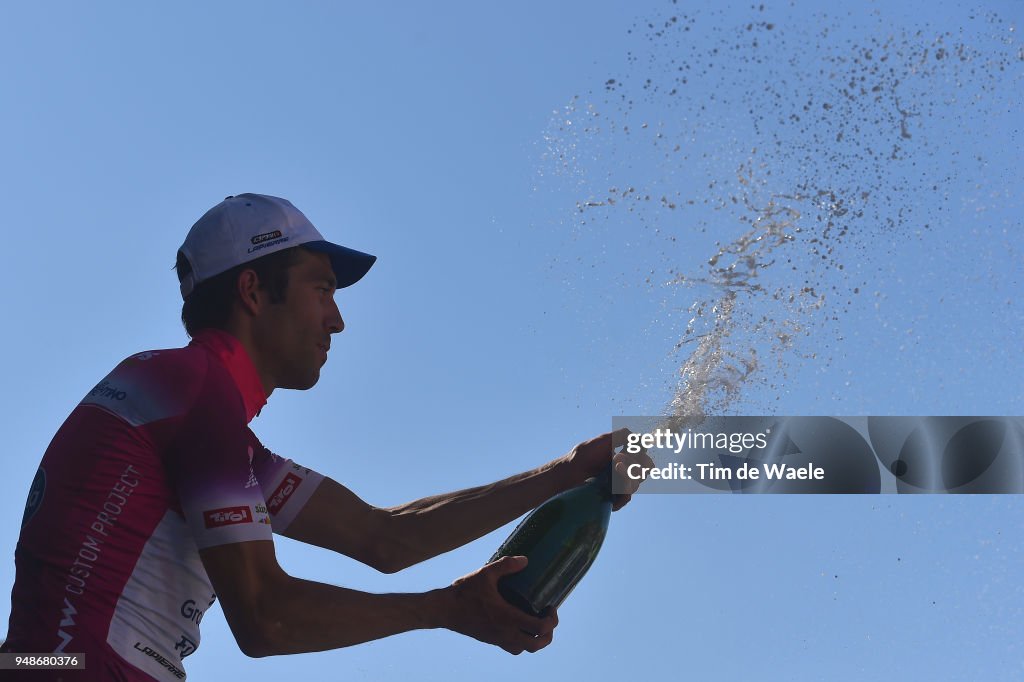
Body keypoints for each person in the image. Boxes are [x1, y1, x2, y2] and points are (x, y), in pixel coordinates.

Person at [2, 193, 650, 681]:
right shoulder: (195, 396)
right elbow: (266, 618)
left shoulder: (192, 405)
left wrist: (569, 470)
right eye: (322, 289)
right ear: (254, 291)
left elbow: (387, 537)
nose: (336, 320)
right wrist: (448, 610)